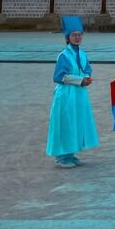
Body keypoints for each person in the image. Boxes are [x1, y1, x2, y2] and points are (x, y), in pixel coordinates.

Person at [46, 16, 99, 168]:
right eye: (74, 35)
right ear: (67, 38)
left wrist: (87, 78)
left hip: (79, 94)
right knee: (65, 123)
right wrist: (79, 80)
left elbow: (87, 69)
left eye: (79, 35)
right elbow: (59, 76)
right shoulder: (63, 55)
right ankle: (62, 156)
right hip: (66, 95)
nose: (77, 38)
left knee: (76, 121)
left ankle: (71, 152)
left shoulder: (82, 54)